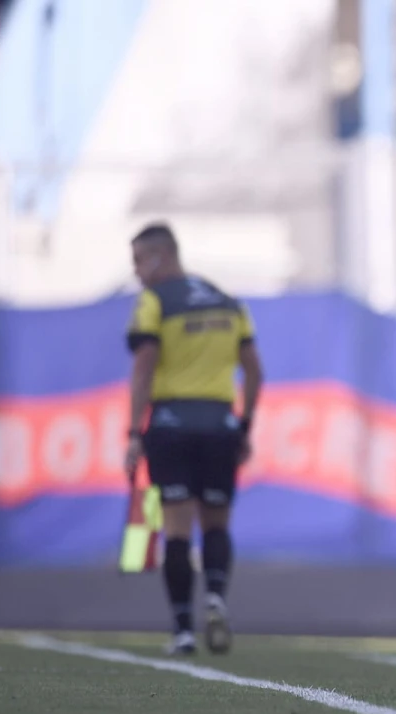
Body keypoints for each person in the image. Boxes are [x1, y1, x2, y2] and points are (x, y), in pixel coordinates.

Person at [123, 223, 264, 656]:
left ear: (162, 256)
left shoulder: (154, 302)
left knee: (177, 529)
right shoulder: (229, 302)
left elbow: (145, 366)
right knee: (217, 522)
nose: (138, 274)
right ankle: (217, 597)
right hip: (220, 425)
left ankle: (183, 629)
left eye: (139, 262)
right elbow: (255, 371)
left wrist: (133, 432)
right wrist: (243, 427)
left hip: (171, 424)